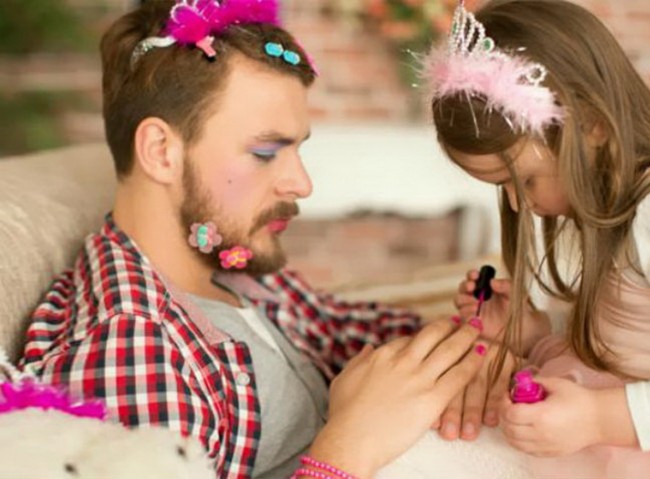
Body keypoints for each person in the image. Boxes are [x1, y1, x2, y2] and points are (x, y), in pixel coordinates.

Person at [18, 1, 491, 478]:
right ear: (161, 152)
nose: (302, 183)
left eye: (297, 149)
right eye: (266, 152)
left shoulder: (227, 263)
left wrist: (479, 337)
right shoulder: (131, 350)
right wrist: (346, 450)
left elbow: (339, 328)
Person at [423, 0, 650, 477]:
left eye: (522, 181)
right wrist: (534, 338)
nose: (515, 205)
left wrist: (597, 417)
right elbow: (631, 355)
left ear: (590, 124)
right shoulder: (622, 211)